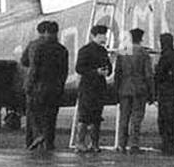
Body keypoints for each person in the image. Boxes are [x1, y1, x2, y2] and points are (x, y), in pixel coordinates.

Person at [20, 20, 68, 151]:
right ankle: (49, 143)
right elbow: (64, 71)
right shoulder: (62, 49)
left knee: (32, 115)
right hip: (55, 88)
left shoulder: (35, 45)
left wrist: (29, 85)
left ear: (42, 32)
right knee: (51, 117)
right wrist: (60, 87)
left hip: (37, 87)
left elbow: (27, 63)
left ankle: (35, 138)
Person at [113, 28, 154, 153]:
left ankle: (121, 144)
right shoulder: (144, 53)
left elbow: (117, 73)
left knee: (124, 117)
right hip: (139, 89)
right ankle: (134, 144)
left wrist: (116, 89)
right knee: (136, 118)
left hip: (124, 88)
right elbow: (148, 75)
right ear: (141, 38)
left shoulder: (124, 51)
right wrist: (152, 92)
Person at [75, 24, 111, 153]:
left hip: (99, 87)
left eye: (104, 35)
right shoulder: (84, 50)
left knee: (96, 117)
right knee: (84, 116)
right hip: (87, 87)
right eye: (101, 35)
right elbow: (79, 68)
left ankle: (94, 144)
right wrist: (96, 72)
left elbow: (109, 66)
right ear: (93, 36)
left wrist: (107, 71)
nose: (104, 38)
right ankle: (80, 143)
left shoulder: (103, 51)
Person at [152, 32, 174, 155]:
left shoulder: (165, 56)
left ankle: (166, 145)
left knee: (163, 120)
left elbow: (160, 74)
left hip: (165, 92)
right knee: (172, 120)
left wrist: (156, 71)